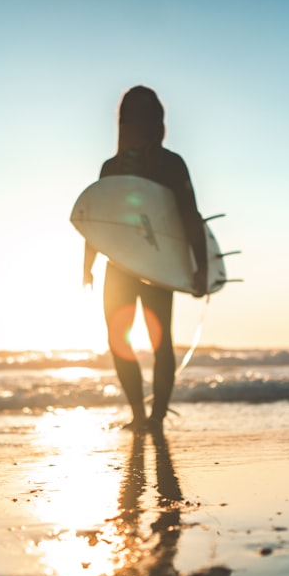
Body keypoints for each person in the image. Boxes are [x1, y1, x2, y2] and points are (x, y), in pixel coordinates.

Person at [83, 86, 209, 430]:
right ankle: (140, 415)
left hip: (157, 266)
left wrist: (202, 267)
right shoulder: (111, 167)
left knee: (159, 342)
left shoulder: (170, 164)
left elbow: (188, 216)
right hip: (120, 266)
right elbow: (98, 220)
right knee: (118, 340)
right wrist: (87, 265)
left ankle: (154, 417)